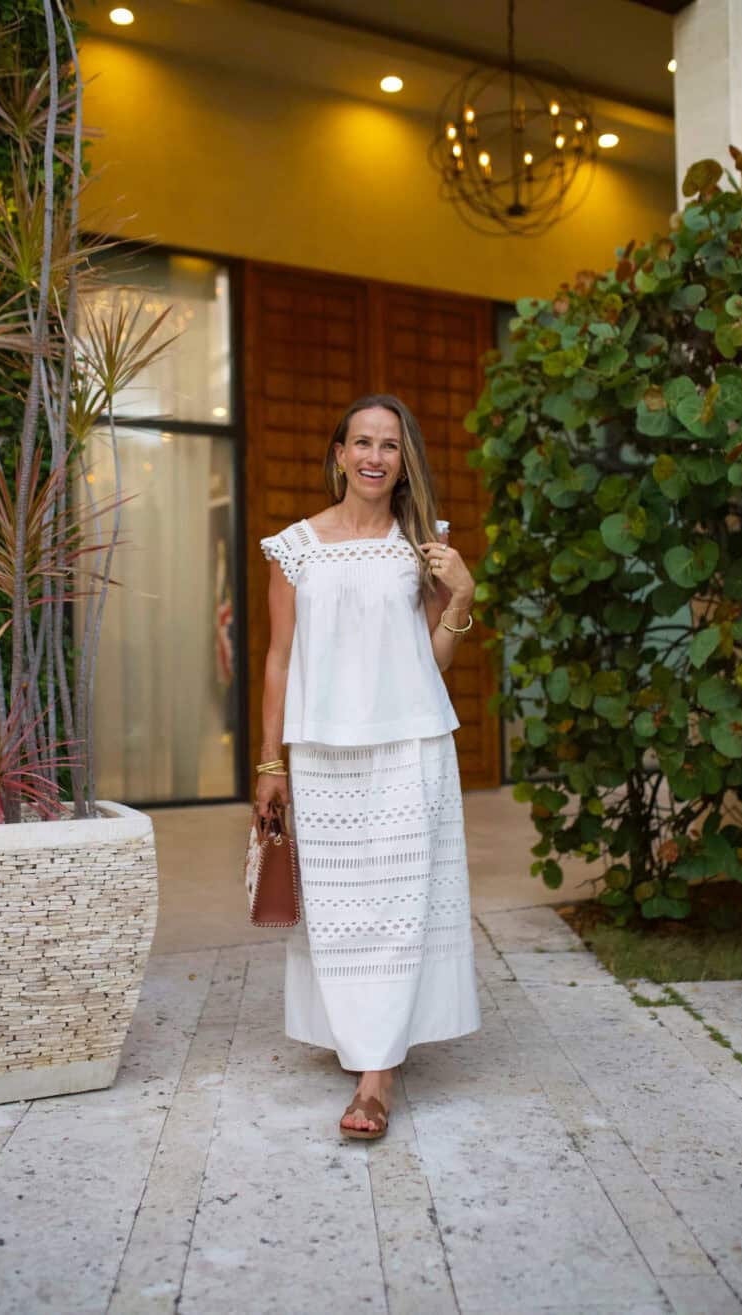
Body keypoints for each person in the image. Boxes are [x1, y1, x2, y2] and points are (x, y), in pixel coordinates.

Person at [256, 393, 481, 1141]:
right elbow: (278, 658)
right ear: (339, 454)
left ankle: (376, 1079)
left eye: (389, 445)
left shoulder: (422, 547)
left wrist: (461, 595)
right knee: (338, 912)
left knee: (399, 910)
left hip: (410, 748)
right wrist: (270, 763)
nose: (374, 457)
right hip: (322, 755)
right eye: (361, 442)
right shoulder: (295, 547)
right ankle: (360, 1038)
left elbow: (432, 659)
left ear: (403, 460)